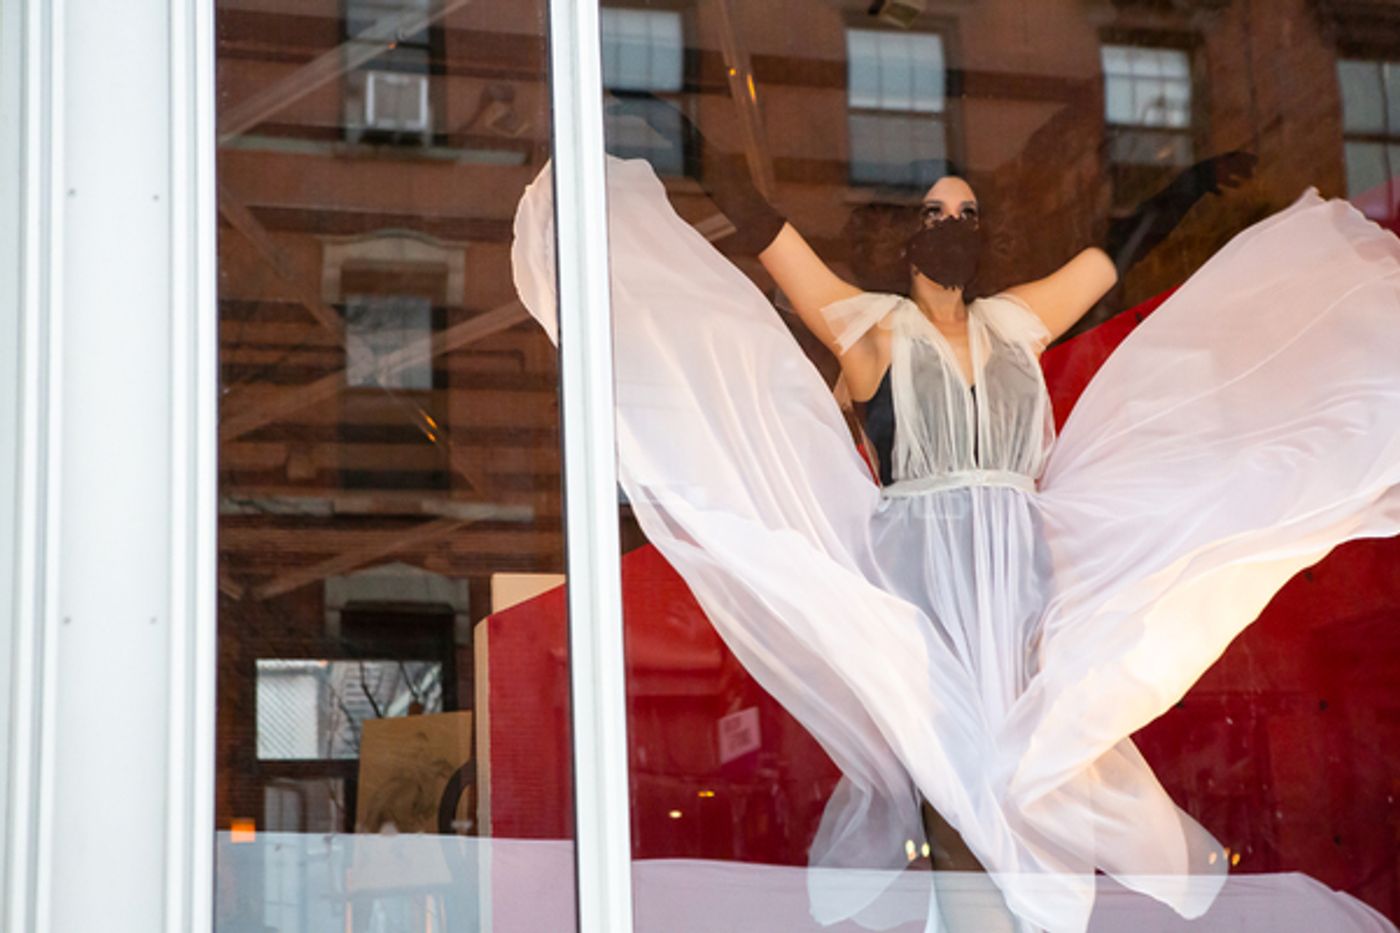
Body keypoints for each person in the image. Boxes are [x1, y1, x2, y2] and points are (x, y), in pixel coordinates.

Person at [510, 120, 1400, 931]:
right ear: (907, 232)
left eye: (968, 210)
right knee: (949, 770)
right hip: (924, 581)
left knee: (1031, 767)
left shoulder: (1016, 324)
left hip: (1020, 579)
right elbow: (764, 228)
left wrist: (1191, 180)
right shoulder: (870, 331)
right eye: (936, 210)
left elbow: (1114, 254)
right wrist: (686, 138)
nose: (952, 222)